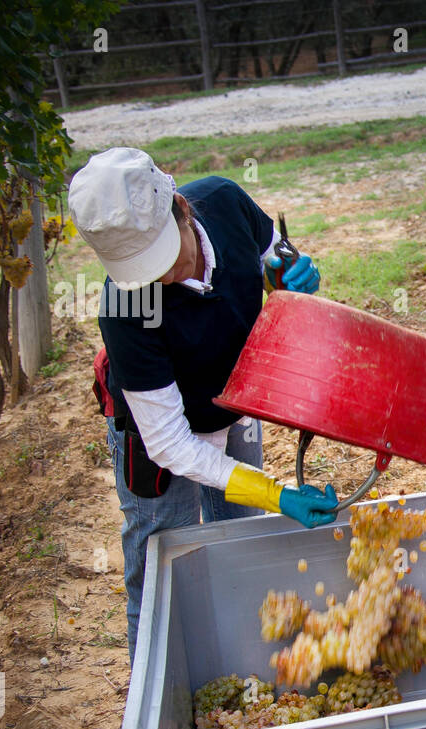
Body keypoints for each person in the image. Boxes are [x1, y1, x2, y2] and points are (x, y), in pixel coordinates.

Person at [69, 147, 338, 659]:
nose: (161, 279)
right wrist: (277, 494)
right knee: (159, 562)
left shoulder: (225, 200)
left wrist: (296, 277)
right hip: (157, 437)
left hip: (230, 404)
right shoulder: (126, 307)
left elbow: (273, 261)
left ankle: (243, 660)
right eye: (140, 269)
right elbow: (170, 443)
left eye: (162, 257)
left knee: (240, 538)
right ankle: (156, 686)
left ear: (182, 209)